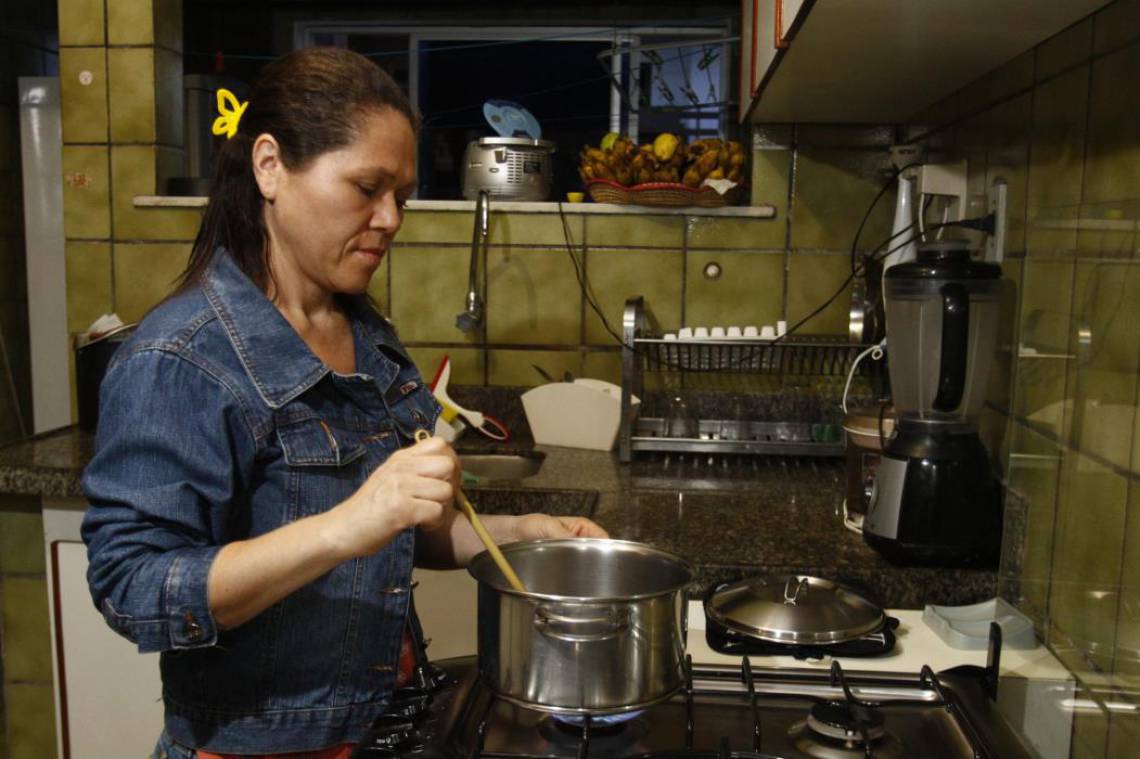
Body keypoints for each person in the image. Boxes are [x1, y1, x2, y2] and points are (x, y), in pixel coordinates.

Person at [81, 47, 606, 759]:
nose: (390, 218)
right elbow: (134, 589)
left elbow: (401, 528)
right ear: (270, 166)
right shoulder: (181, 358)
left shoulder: (364, 332)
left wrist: (520, 533)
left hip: (383, 729)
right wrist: (349, 523)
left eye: (402, 196)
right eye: (366, 187)